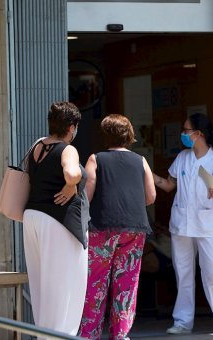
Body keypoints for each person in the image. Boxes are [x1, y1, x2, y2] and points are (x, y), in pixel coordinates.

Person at [152, 113, 213, 335]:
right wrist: (147, 172)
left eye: (186, 130)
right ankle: (182, 321)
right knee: (183, 273)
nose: (183, 134)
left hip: (208, 224)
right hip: (181, 223)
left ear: (198, 134)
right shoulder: (182, 157)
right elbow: (168, 185)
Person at [79, 114, 157, 339]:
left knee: (96, 283)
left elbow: (87, 195)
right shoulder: (140, 160)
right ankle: (121, 335)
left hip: (102, 228)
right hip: (134, 227)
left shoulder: (96, 159)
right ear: (129, 134)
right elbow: (151, 196)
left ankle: (89, 334)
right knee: (126, 283)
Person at [22, 101, 88, 335]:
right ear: (71, 127)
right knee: (67, 283)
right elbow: (71, 173)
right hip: (58, 220)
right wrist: (74, 183)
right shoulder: (67, 149)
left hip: (32, 217)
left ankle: (46, 335)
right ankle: (63, 336)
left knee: (43, 285)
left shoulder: (37, 146)